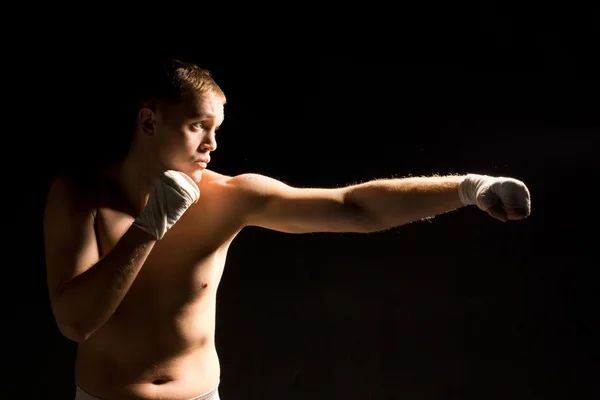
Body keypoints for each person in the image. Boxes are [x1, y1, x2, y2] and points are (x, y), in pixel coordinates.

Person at [43, 59, 531, 400]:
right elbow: (75, 322)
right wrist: (151, 226)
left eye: (218, 129)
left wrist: (470, 187)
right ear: (149, 122)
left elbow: (353, 208)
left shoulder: (230, 197)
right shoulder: (81, 197)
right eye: (198, 126)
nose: (213, 144)